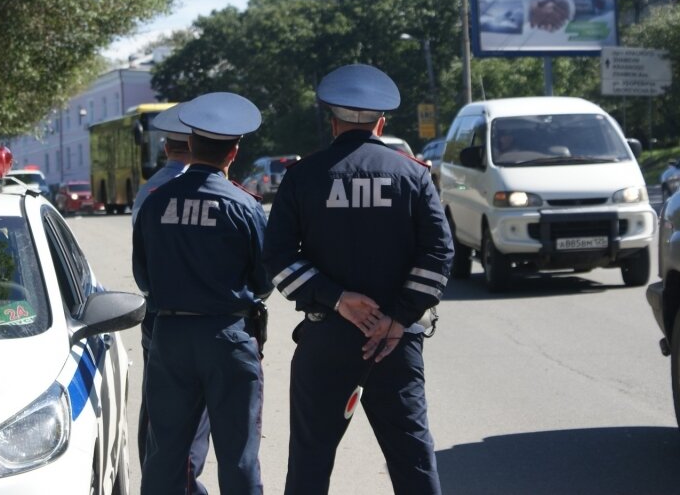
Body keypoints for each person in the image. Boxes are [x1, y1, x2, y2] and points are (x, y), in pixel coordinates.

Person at [262, 63, 454, 495]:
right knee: (412, 458)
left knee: (310, 460)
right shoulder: (413, 174)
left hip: (326, 337)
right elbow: (439, 254)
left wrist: (336, 298)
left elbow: (277, 260)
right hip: (393, 343)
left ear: (334, 123)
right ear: (381, 124)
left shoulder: (303, 176)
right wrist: (397, 317)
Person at [132, 92, 273, 495]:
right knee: (239, 455)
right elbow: (264, 279)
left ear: (190, 145)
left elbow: (143, 276)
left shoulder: (156, 203)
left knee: (165, 454)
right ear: (234, 152)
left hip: (170, 338)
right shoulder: (244, 205)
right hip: (228, 338)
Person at [131, 103, 211, 495]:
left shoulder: (149, 191)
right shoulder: (216, 188)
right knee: (198, 415)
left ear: (166, 148)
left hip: (161, 314)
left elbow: (142, 263)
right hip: (212, 317)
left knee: (158, 409)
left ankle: (160, 482)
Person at [131, 105, 193, 225]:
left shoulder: (146, 190)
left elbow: (138, 230)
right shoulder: (198, 187)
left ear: (166, 149)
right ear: (193, 148)